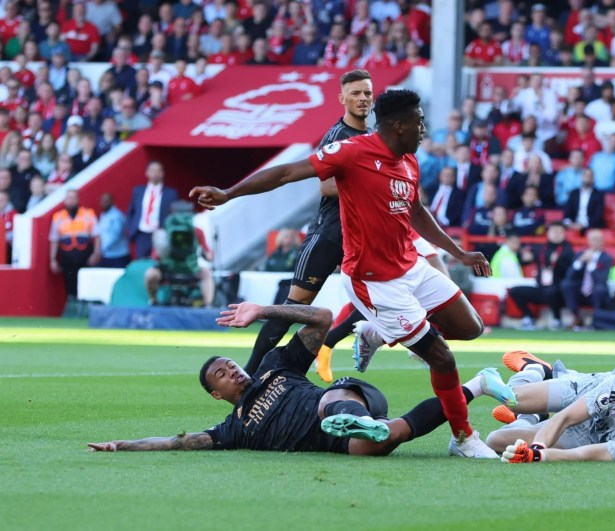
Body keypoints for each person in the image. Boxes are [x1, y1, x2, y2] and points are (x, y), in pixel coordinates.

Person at [191, 89, 498, 457]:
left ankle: (377, 332)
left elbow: (416, 211)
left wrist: (458, 253)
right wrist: (228, 193)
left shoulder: (409, 160)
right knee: (442, 357)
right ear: (398, 126)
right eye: (418, 121)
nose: (423, 128)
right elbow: (288, 171)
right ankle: (464, 438)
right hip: (374, 281)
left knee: (471, 328)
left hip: (409, 265)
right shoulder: (353, 152)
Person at [88, 302, 516, 458]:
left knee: (331, 404)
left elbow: (323, 319)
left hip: (346, 396)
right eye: (222, 374)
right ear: (217, 394)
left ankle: (353, 418)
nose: (233, 370)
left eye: (230, 364)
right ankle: (479, 384)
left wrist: (264, 310)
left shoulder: (276, 365)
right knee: (380, 442)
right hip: (333, 441)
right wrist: (122, 444)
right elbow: (180, 442)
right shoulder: (234, 429)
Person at [202, 70, 375, 382]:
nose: (362, 98)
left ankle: (328, 345)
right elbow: (326, 187)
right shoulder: (338, 137)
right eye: (356, 93)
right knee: (295, 305)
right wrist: (374, 183)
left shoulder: (370, 137)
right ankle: (252, 374)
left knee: (380, 297)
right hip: (330, 233)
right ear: (342, 99)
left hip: (360, 235)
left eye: (366, 93)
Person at [486, 351, 615, 462]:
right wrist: (538, 446)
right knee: (514, 399)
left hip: (593, 435)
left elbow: (581, 455)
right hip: (590, 391)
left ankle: (532, 418)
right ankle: (537, 369)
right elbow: (566, 418)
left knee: (495, 440)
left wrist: (536, 455)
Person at [507, 222, 574, 331]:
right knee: (515, 291)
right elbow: (524, 260)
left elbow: (567, 264)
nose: (556, 234)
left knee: (552, 291)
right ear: (548, 233)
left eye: (559, 231)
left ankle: (557, 319)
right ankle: (529, 318)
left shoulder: (567, 248)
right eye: (554, 231)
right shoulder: (542, 248)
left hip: (560, 291)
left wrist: (558, 261)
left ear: (564, 233)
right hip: (542, 288)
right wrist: (523, 256)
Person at [49, 189, 100, 299]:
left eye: (73, 198)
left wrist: (96, 254)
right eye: (69, 198)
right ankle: (72, 309)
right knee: (69, 286)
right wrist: (52, 259)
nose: (71, 201)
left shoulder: (88, 213)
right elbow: (54, 239)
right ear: (65, 200)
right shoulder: (58, 216)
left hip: (85, 257)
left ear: (78, 199)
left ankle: (83, 310)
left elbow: (97, 236)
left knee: (86, 285)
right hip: (67, 257)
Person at [560, 228, 613, 329]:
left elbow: (602, 279)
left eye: (598, 240)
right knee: (566, 284)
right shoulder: (580, 255)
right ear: (588, 241)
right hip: (581, 290)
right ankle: (576, 318)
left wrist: (592, 265)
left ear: (603, 242)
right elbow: (569, 276)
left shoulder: (606, 258)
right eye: (593, 239)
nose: (596, 242)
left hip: (596, 291)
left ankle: (596, 319)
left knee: (600, 289)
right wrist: (579, 262)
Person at [126, 161, 177, 259]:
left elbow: (173, 215)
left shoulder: (170, 193)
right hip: (142, 234)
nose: (155, 173)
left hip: (160, 233)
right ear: (147, 173)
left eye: (158, 171)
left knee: (161, 262)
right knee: (141, 263)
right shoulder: (138, 191)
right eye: (152, 170)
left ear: (162, 173)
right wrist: (131, 227)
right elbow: (130, 211)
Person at [562, 168, 604, 232]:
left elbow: (598, 216)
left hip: (590, 227)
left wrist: (583, 225)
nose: (587, 178)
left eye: (590, 176)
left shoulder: (598, 195)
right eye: (586, 175)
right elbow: (567, 212)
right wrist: (570, 224)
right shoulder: (573, 193)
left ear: (593, 179)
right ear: (581, 177)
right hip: (572, 226)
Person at [97, 192, 129, 268]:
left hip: (119, 256)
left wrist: (99, 251)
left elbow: (114, 236)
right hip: (107, 255)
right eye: (102, 201)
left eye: (106, 201)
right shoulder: (103, 214)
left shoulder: (116, 216)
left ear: (112, 201)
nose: (104, 203)